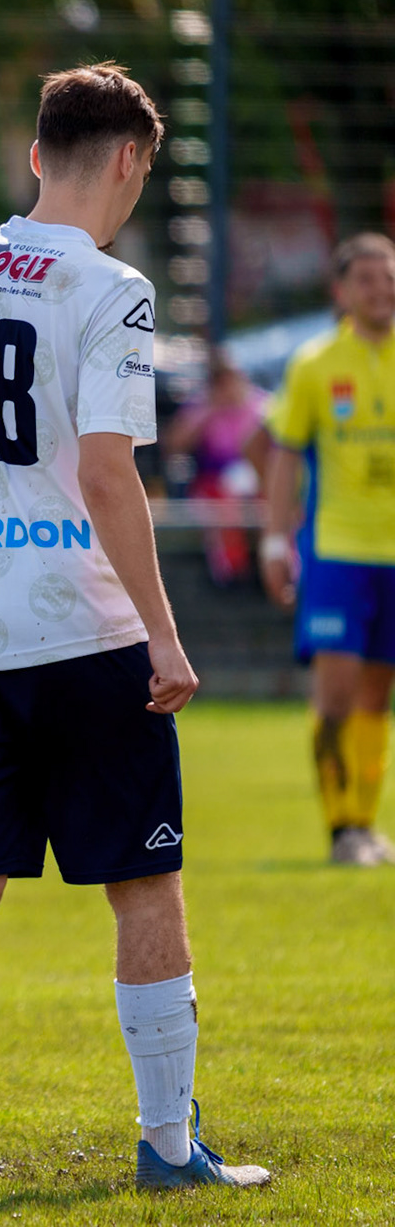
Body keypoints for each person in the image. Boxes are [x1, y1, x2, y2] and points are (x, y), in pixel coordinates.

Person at [0, 63, 268, 1192]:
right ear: (131, 162)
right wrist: (164, 631)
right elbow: (107, 474)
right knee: (144, 885)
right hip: (84, 635)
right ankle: (166, 1144)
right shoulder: (114, 288)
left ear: (37, 153)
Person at [260, 232, 395, 867]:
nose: (382, 287)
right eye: (367, 278)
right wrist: (272, 538)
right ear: (341, 292)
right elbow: (283, 455)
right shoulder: (314, 364)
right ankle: (341, 829)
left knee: (376, 694)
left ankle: (364, 825)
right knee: (337, 694)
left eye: (388, 275)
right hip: (338, 552)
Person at [165, 347, 266, 584]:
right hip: (214, 483)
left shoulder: (262, 405)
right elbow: (174, 445)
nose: (227, 386)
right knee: (222, 505)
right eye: (220, 380)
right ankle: (231, 575)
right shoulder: (202, 406)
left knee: (273, 501)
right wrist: (209, 410)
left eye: (230, 378)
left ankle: (275, 569)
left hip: (257, 479)